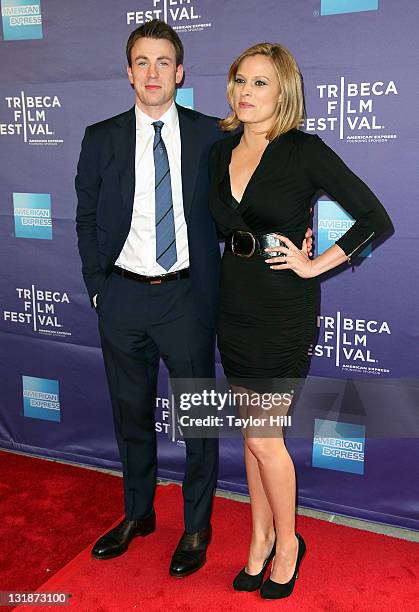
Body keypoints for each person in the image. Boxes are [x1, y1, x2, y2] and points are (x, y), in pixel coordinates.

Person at [208, 42, 393, 599]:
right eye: (241, 79)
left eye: (261, 82)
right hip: (233, 301)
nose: (246, 91)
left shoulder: (303, 151)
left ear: (283, 91)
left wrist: (314, 264)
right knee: (253, 437)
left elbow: (373, 218)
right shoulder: (218, 153)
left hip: (283, 308)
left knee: (264, 438)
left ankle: (288, 544)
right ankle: (260, 537)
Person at [75, 19, 222, 578]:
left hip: (187, 298)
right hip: (122, 299)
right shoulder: (101, 136)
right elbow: (85, 218)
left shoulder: (213, 133)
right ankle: (139, 514)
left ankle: (197, 526)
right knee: (130, 416)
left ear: (180, 72)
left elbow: (253, 192)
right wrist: (98, 290)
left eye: (164, 62)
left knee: (199, 422)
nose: (153, 72)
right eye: (143, 61)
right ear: (129, 72)